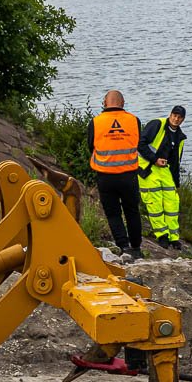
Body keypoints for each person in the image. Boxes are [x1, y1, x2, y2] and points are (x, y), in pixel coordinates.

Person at [85, 90, 144, 260]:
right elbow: (137, 142)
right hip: (129, 175)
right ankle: (136, 248)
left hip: (105, 176)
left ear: (104, 103)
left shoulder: (95, 122)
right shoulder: (134, 120)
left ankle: (124, 247)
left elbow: (91, 146)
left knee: (113, 214)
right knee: (132, 211)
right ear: (123, 103)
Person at [137, 105, 188, 251]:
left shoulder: (180, 136)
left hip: (165, 170)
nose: (176, 119)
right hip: (148, 168)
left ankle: (174, 237)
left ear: (183, 119)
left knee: (172, 203)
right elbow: (140, 144)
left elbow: (176, 161)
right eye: (174, 115)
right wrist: (154, 159)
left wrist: (176, 183)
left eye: (179, 117)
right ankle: (162, 235)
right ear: (170, 114)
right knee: (155, 202)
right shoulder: (157, 124)